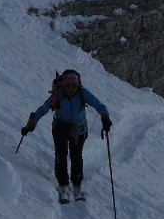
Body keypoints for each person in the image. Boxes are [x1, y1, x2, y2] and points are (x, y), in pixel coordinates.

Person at [21, 69, 111, 203]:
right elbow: (43, 109)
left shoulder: (82, 93)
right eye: (67, 86)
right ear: (63, 85)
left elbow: (99, 105)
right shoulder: (58, 95)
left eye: (73, 86)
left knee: (76, 155)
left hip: (78, 129)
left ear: (78, 85)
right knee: (61, 154)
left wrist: (105, 117)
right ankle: (63, 182)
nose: (70, 89)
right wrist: (31, 123)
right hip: (60, 128)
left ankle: (77, 182)